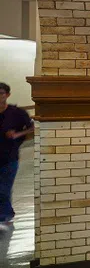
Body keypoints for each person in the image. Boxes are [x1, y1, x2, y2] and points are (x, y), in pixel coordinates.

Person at [0, 83, 33, 223]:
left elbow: (32, 128)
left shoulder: (16, 113)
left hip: (9, 157)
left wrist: (17, 134)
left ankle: (4, 218)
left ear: (7, 95)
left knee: (4, 189)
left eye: (1, 93)